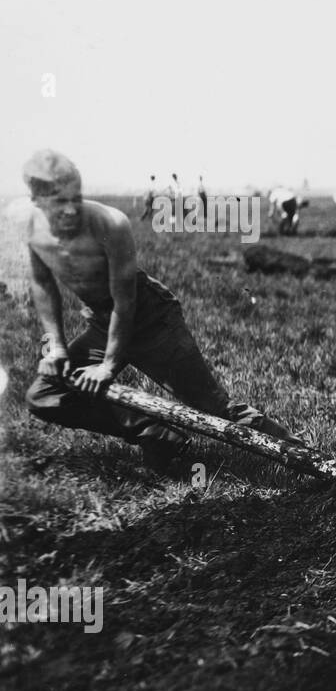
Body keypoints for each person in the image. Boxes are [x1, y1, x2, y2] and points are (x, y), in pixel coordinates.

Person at [16, 150, 297, 474]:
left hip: (151, 320)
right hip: (103, 322)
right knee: (43, 394)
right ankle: (156, 433)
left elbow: (126, 302)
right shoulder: (31, 228)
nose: (69, 209)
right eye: (57, 201)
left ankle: (300, 455)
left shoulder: (109, 223)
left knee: (215, 407)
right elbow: (42, 284)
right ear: (35, 198)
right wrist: (57, 347)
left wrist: (108, 367)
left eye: (74, 198)